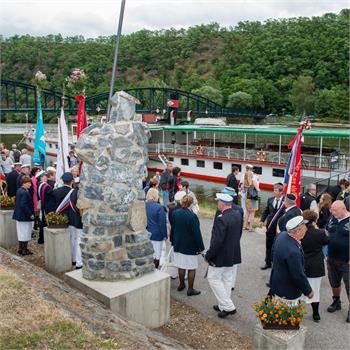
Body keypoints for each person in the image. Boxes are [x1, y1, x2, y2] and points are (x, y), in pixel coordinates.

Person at [205, 193, 243, 318]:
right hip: (232, 253)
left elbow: (217, 242)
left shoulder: (221, 219)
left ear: (222, 204)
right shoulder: (237, 215)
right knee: (227, 279)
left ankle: (228, 306)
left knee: (213, 278)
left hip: (221, 255)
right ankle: (223, 305)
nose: (217, 204)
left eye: (218, 202)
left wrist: (209, 255)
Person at [270, 216, 314, 303]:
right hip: (288, 292)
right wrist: (308, 291)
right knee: (287, 315)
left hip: (278, 284)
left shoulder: (282, 235)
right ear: (298, 231)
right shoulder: (293, 252)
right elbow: (298, 275)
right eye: (304, 226)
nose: (306, 229)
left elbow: (273, 253)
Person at [172, 195, 204, 296]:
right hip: (189, 246)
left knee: (181, 266)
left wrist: (172, 240)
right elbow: (197, 234)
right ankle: (190, 289)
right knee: (191, 268)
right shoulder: (192, 216)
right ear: (191, 204)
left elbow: (173, 228)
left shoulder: (175, 213)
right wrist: (201, 247)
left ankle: (181, 284)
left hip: (178, 243)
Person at [301, 210, 329, 322]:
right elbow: (326, 241)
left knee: (301, 288)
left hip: (303, 263)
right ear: (314, 221)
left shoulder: (301, 232)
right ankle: (316, 314)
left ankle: (297, 312)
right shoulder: (320, 233)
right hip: (316, 265)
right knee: (315, 290)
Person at [325, 200, 350, 323]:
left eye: (335, 210)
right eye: (331, 210)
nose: (332, 212)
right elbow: (326, 232)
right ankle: (336, 301)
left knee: (349, 285)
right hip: (332, 258)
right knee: (334, 282)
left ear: (343, 209)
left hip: (347, 261)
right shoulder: (332, 218)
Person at [259, 183, 284, 270]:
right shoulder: (270, 199)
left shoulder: (285, 201)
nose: (273, 192)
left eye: (275, 190)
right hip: (270, 226)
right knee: (269, 244)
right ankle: (268, 262)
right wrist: (262, 220)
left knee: (278, 246)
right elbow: (266, 211)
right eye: (273, 190)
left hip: (280, 228)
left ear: (281, 192)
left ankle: (277, 264)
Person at [145, 188, 167, 268]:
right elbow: (162, 223)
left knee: (148, 254)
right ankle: (154, 272)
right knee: (157, 255)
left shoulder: (144, 205)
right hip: (157, 235)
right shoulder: (159, 207)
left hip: (146, 233)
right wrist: (165, 235)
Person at [12, 175, 35, 256]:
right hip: (24, 216)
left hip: (19, 215)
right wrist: (30, 214)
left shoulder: (19, 190)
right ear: (24, 183)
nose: (30, 185)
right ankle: (24, 250)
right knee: (25, 233)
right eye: (29, 183)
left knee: (21, 233)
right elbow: (23, 205)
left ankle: (21, 249)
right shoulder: (24, 192)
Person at [243, 165, 260, 231]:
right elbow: (257, 187)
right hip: (253, 196)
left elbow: (244, 188)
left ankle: (244, 226)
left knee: (247, 212)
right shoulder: (254, 179)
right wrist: (258, 189)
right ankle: (250, 227)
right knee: (252, 212)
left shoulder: (245, 178)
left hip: (247, 195)